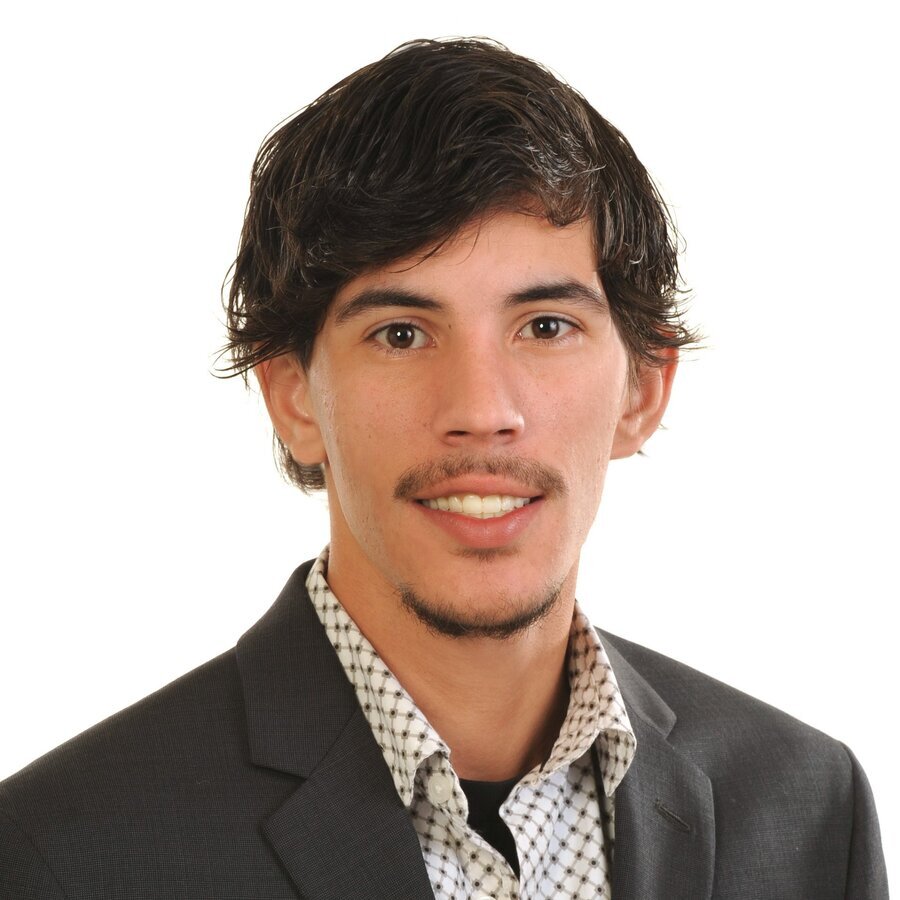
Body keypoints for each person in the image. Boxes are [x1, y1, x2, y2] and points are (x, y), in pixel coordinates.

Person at [0, 37, 887, 900]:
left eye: (545, 326)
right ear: (293, 399)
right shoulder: (64, 854)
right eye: (401, 334)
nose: (480, 409)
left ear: (643, 391)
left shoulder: (808, 811)